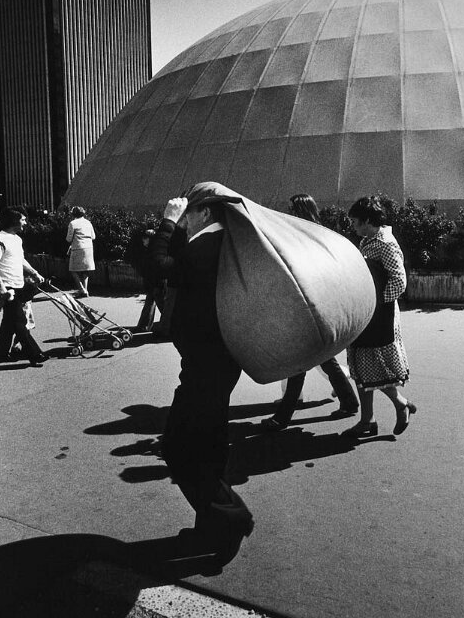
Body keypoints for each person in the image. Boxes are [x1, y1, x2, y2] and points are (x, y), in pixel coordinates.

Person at [148, 195, 254, 556]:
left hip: (204, 363)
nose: (184, 221)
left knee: (178, 448)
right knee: (209, 447)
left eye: (188, 213)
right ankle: (212, 532)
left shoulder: (206, 245)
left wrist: (168, 221)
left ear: (205, 212)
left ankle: (232, 517)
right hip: (221, 358)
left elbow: (157, 267)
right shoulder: (224, 244)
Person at [259, 193, 360, 431]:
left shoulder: (302, 236)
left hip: (307, 306)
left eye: (292, 209)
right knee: (323, 358)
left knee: (300, 361)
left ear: (300, 211)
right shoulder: (320, 234)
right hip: (319, 305)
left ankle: (282, 417)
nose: (288, 213)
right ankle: (349, 401)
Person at [345, 196, 416, 437]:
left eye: (355, 222)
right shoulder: (367, 240)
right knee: (360, 367)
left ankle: (400, 404)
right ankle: (367, 420)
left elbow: (399, 281)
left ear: (367, 220)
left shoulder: (385, 243)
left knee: (375, 368)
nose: (353, 226)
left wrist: (373, 302)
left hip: (379, 315)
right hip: (365, 313)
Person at [0, 207, 48, 367]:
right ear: (14, 221)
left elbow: (21, 260)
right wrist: (0, 286)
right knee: (19, 321)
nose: (25, 222)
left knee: (9, 321)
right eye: (23, 219)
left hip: (18, 283)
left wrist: (34, 272)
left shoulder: (16, 239)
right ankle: (35, 354)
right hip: (7, 287)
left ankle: (1, 354)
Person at [66, 206, 96, 297]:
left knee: (73, 270)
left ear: (73, 214)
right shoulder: (88, 222)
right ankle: (85, 290)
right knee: (85, 270)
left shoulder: (72, 223)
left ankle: (81, 289)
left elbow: (68, 239)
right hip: (89, 248)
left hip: (77, 248)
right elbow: (93, 237)